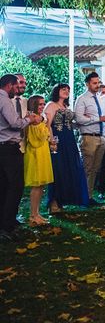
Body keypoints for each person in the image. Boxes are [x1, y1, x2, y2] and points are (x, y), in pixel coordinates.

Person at [0, 74, 42, 241]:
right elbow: (14, 123)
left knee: (3, 187)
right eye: (16, 86)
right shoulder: (4, 100)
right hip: (9, 148)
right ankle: (8, 224)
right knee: (15, 187)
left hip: (3, 148)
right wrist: (28, 119)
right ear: (9, 85)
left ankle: (4, 223)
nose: (17, 90)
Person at [45, 84, 90, 213]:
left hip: (69, 140)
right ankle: (54, 201)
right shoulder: (51, 105)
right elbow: (47, 125)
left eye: (68, 90)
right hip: (58, 141)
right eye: (63, 89)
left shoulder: (66, 107)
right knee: (58, 169)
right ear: (57, 91)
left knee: (69, 168)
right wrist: (51, 140)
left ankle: (63, 199)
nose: (66, 92)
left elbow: (69, 124)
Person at [74, 71, 105, 205]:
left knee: (95, 169)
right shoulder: (82, 99)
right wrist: (97, 119)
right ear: (87, 84)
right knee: (87, 169)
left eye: (98, 82)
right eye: (94, 83)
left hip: (100, 137)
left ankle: (89, 196)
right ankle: (83, 197)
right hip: (88, 137)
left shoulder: (99, 98)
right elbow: (79, 118)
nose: (97, 85)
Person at [23, 95, 54, 226]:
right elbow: (39, 138)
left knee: (41, 185)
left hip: (43, 152)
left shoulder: (40, 118)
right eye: (40, 104)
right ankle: (32, 214)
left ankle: (37, 213)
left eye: (43, 104)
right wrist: (45, 123)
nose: (42, 106)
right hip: (35, 153)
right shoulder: (33, 120)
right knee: (36, 185)